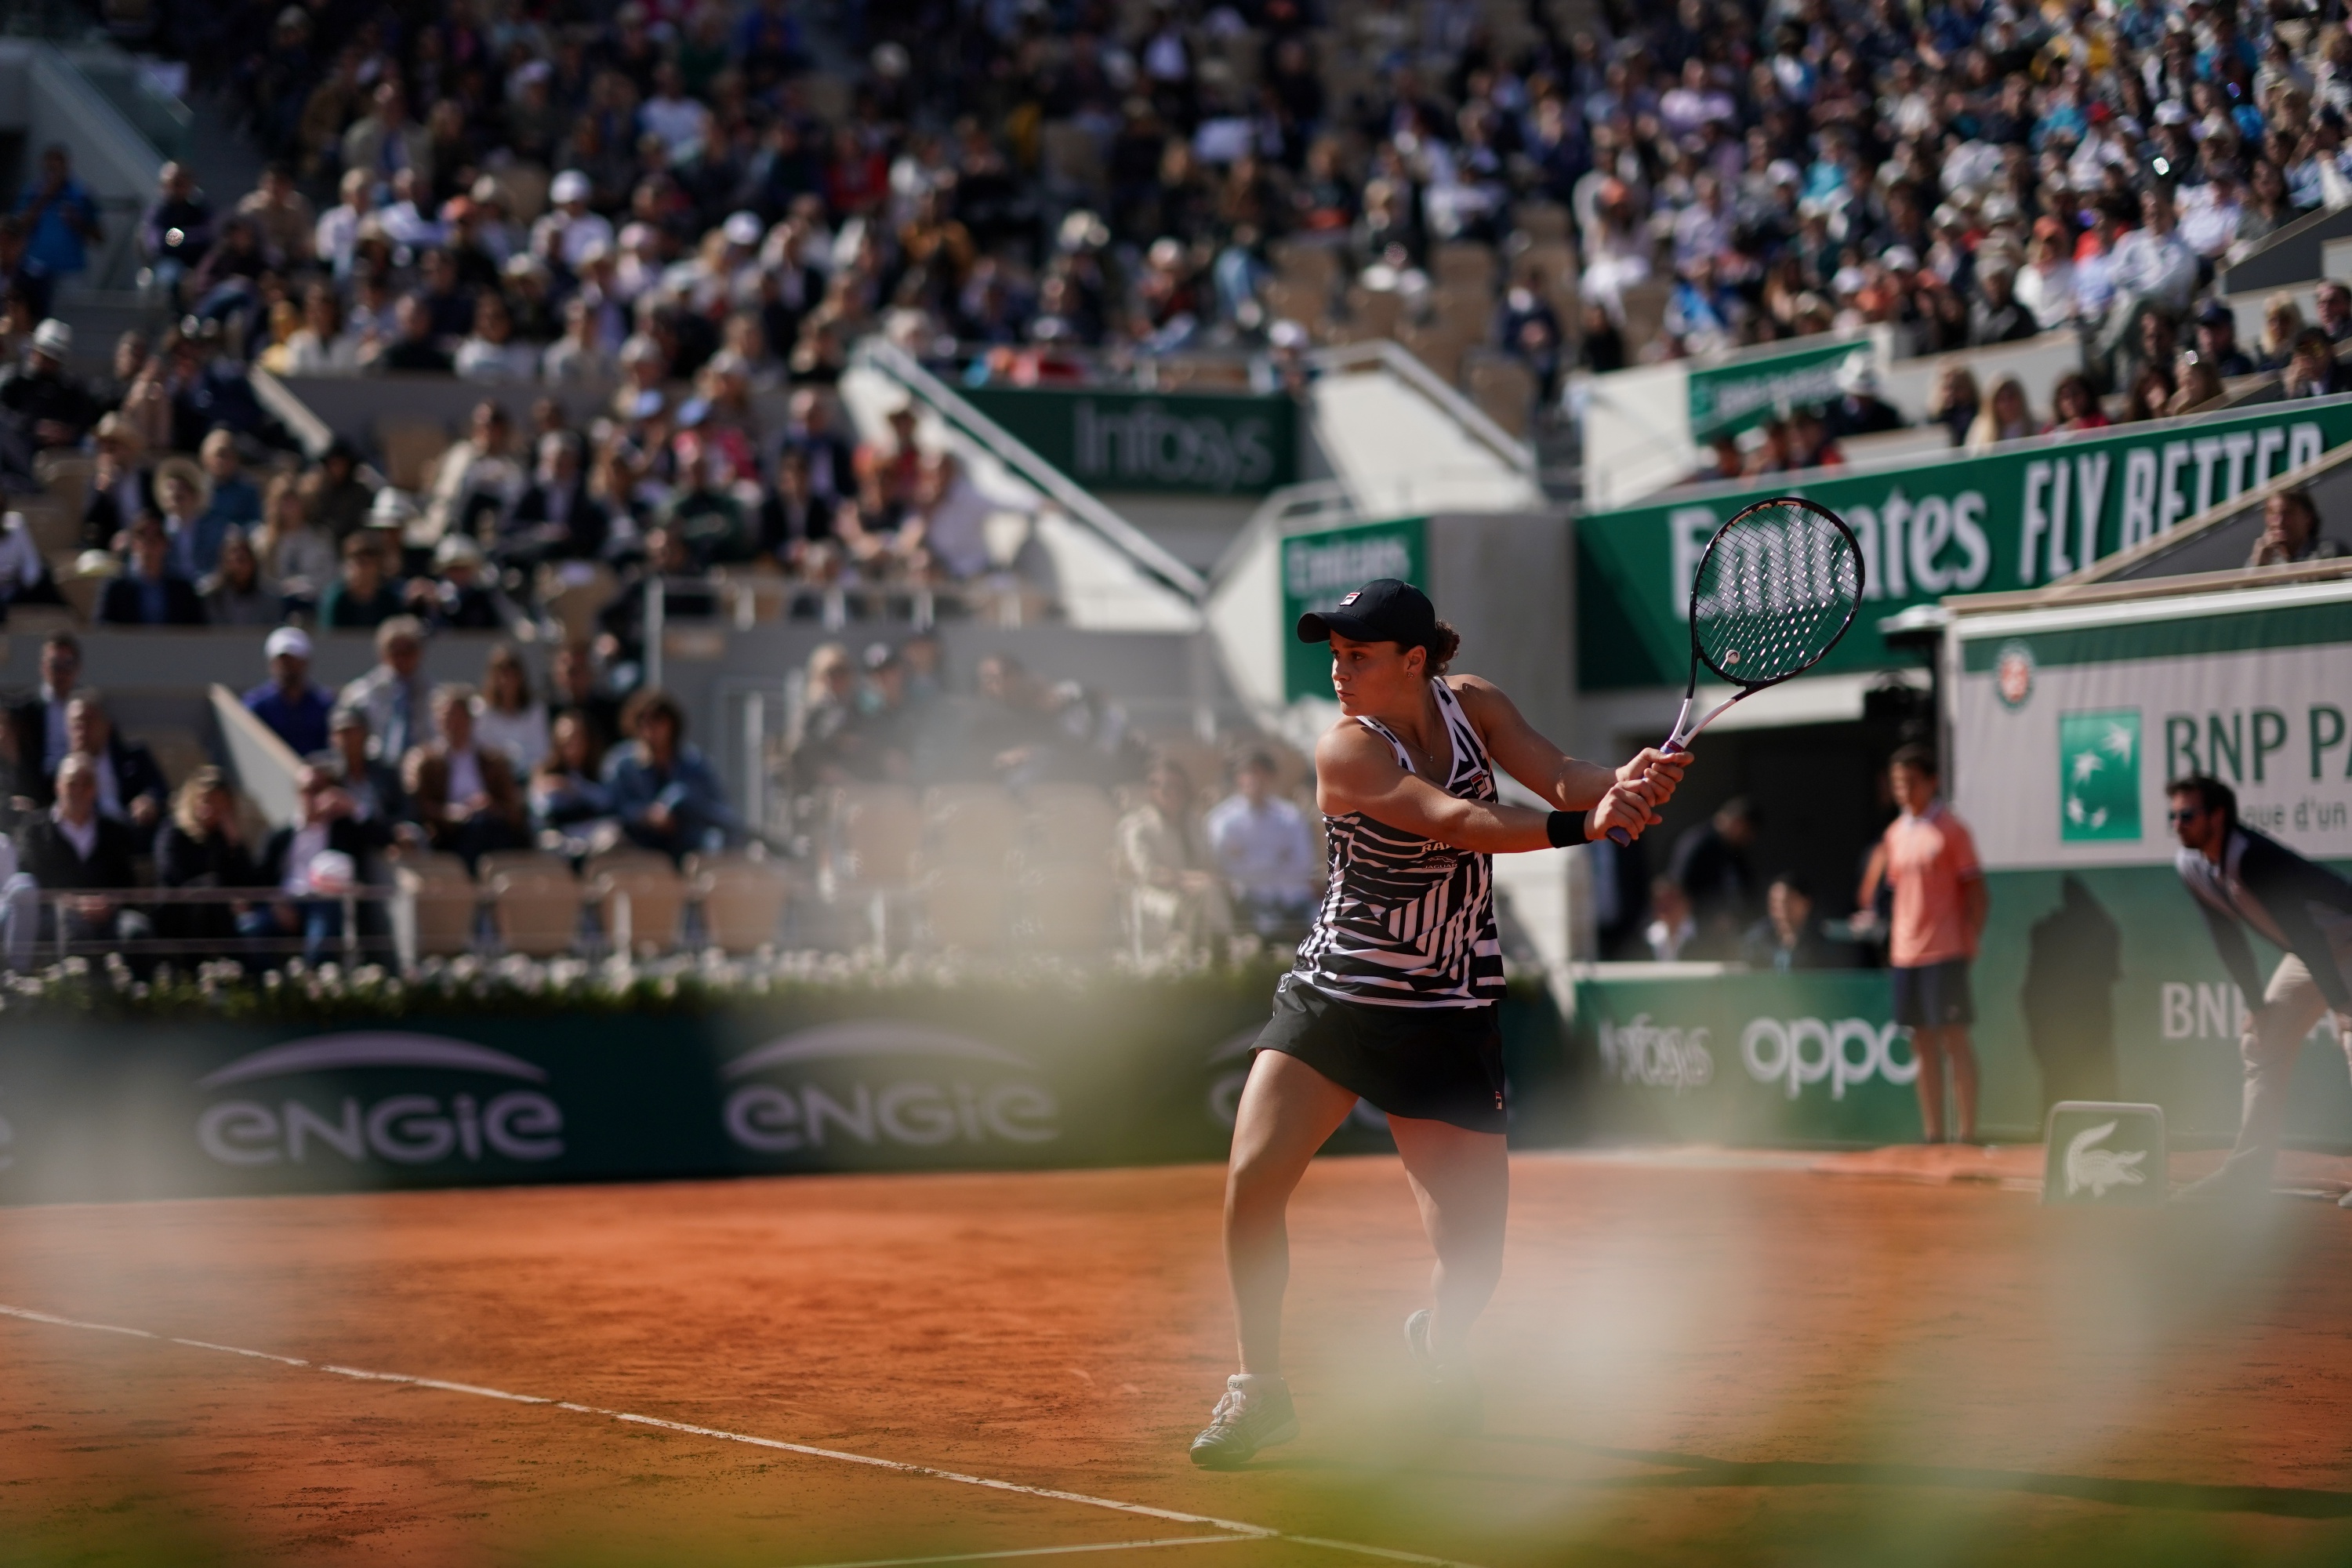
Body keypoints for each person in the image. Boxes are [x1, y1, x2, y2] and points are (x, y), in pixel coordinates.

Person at [1190, 578, 1679, 1468]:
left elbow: (1559, 772)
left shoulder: (1477, 705)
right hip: (1338, 994)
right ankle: (1258, 1388)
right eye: (1334, 656)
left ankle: (1440, 1345)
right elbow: (1454, 820)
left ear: (1416, 660)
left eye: (1359, 656)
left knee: (1475, 1256)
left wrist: (1621, 781)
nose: (1339, 672)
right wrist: (1585, 824)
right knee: (1253, 1178)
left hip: (1447, 1005)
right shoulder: (1345, 750)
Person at [2167, 775, 2352, 1205]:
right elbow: (2225, 935)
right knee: (2259, 1041)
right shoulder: (2190, 865)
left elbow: (2304, 932)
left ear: (2218, 816)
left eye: (2188, 815)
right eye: (2173, 816)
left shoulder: (2253, 858)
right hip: (2313, 952)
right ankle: (2247, 1174)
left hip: (2343, 940)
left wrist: (2341, 1004)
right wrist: (2257, 1004)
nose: (2178, 824)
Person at [1859, 746, 1987, 1145]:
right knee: (1921, 1044)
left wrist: (1967, 941)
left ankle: (1966, 1135)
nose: (1903, 790)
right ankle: (1934, 1135)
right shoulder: (1895, 835)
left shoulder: (1953, 830)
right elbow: (1897, 894)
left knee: (1953, 1040)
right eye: (1897, 782)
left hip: (1946, 952)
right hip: (1905, 955)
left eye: (1911, 781)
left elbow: (1978, 896)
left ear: (1932, 782)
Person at [6, 753, 146, 967]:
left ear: (96, 789)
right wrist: (75, 904)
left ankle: (141, 997)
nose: (79, 790)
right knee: (75, 928)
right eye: (72, 783)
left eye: (87, 783)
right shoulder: (34, 829)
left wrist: (109, 903)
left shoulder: (113, 831)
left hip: (107, 916)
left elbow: (127, 883)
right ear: (58, 786)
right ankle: (78, 996)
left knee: (137, 931)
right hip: (55, 915)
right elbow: (31, 883)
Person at [257, 764, 379, 964]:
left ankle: (315, 987)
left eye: (319, 789)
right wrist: (275, 902)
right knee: (251, 928)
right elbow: (260, 877)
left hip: (325, 903)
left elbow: (383, 837)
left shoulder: (344, 830)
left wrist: (353, 806)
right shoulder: (279, 836)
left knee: (324, 923)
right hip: (286, 902)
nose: (312, 796)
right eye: (306, 790)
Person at [2021, 875, 2123, 1113]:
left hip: (2087, 1018)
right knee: (2061, 1073)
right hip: (2055, 1017)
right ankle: (2055, 1134)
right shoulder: (2046, 931)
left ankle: (2109, 1132)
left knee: (2097, 1073)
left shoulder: (2103, 928)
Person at [602, 688, 739, 860]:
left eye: (657, 721)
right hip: (637, 841)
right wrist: (646, 816)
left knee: (717, 843)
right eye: (642, 722)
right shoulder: (621, 765)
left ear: (672, 725)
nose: (650, 730)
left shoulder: (695, 764)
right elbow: (610, 806)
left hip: (686, 843)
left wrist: (681, 811)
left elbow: (718, 811)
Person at [402, 684, 528, 866]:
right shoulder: (426, 763)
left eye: (459, 717)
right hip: (449, 833)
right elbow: (420, 805)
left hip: (490, 825)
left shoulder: (492, 761)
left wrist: (490, 805)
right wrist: (454, 812)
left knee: (489, 828)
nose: (453, 725)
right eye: (447, 718)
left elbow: (513, 808)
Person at [152, 767, 269, 959]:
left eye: (218, 803)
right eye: (206, 800)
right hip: (177, 912)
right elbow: (173, 875)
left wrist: (235, 845)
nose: (211, 809)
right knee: (211, 887)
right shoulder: (173, 833)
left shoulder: (223, 839)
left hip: (219, 913)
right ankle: (240, 967)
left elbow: (250, 882)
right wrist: (223, 897)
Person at [1120, 756, 1233, 953]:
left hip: (1199, 892)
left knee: (1215, 891)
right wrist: (1187, 880)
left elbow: (1209, 864)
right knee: (1207, 893)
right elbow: (1148, 873)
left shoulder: (1195, 823)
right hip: (1155, 895)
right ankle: (1222, 949)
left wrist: (1207, 879)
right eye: (1166, 788)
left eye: (1178, 788)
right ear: (1152, 791)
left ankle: (1216, 951)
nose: (1172, 794)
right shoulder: (1138, 826)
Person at [1205, 750, 1320, 941]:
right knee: (1269, 932)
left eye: (1261, 773)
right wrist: (1275, 859)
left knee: (1320, 925)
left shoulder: (1290, 817)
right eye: (1248, 773)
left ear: (1271, 777)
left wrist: (1250, 858)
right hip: (1248, 900)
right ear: (1238, 778)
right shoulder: (1223, 821)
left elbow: (1302, 862)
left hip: (1292, 896)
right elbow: (1227, 866)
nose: (1254, 780)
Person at [1667, 797, 1757, 959]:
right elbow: (1679, 889)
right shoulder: (1698, 843)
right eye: (1745, 831)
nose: (1746, 838)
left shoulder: (1732, 848)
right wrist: (1710, 916)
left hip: (1726, 933)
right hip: (1696, 933)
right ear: (1738, 823)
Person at [66, 691, 168, 832]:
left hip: (134, 830)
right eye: (76, 724)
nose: (82, 730)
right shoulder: (62, 774)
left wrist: (149, 800)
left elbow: (159, 788)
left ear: (106, 725)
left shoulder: (134, 756)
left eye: (89, 721)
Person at [339, 616, 434, 764]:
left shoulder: (434, 693)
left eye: (408, 651)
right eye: (395, 652)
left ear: (420, 653)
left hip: (420, 769)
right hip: (374, 769)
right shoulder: (362, 693)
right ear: (383, 653)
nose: (401, 658)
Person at [5, 632, 82, 800]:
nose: (61, 672)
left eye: (67, 665)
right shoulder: (23, 711)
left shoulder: (90, 711)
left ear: (77, 668)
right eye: (55, 665)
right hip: (37, 794)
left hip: (79, 791)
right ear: (43, 667)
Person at [99, 514, 207, 628]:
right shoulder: (117, 590)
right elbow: (104, 629)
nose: (148, 544)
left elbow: (198, 631)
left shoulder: (184, 592)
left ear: (166, 544)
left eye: (156, 537)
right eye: (141, 536)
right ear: (133, 544)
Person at [245, 626, 334, 757]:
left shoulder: (325, 704)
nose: (287, 666)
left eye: (293, 660)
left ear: (306, 662)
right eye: (282, 660)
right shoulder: (256, 705)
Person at [474, 644, 551, 775]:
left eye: (511, 674)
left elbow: (542, 752)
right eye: (500, 674)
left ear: (520, 677)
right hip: (493, 778)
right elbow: (481, 750)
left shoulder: (536, 710)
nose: (506, 681)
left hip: (531, 777)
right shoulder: (480, 710)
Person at [1740, 872, 1836, 971]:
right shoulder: (1757, 938)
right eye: (1775, 902)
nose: (1781, 909)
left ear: (1806, 902)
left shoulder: (1821, 941)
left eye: (1787, 901)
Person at [318, 535, 404, 629]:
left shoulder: (389, 601)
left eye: (369, 563)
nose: (363, 570)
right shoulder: (336, 599)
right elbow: (328, 638)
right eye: (359, 562)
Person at [2246, 486, 2345, 567]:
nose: (2279, 522)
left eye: (2287, 513)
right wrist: (2259, 565)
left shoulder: (2328, 553)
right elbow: (2239, 590)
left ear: (2307, 518)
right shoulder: (2265, 559)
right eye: (2272, 514)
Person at [1644, 877, 1696, 961]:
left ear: (1685, 902)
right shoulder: (1649, 937)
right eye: (1659, 904)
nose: (1665, 910)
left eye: (1670, 901)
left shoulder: (1704, 933)